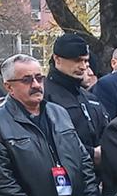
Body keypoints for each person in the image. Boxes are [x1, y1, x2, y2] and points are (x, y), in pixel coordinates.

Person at [0, 54, 98, 196]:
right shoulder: (2, 122)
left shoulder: (59, 113)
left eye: (39, 78)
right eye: (26, 80)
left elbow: (84, 162)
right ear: (8, 87)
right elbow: (4, 183)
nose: (36, 85)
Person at [43, 34, 110, 167]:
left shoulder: (89, 97)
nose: (83, 66)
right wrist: (91, 153)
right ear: (57, 59)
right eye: (77, 60)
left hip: (97, 174)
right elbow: (46, 141)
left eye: (85, 61)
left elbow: (105, 129)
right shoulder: (44, 94)